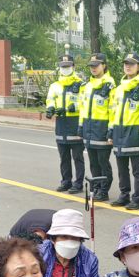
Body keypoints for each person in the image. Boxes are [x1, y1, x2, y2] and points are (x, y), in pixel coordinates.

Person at [108, 52, 139, 209]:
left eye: (132, 64)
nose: (128, 66)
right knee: (122, 168)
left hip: (134, 133)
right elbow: (113, 112)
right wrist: (110, 131)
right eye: (126, 63)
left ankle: (137, 199)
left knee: (137, 170)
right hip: (119, 133)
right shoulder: (119, 89)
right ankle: (124, 195)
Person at [46, 54, 85, 194]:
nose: (65, 69)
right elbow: (50, 100)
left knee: (77, 157)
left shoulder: (81, 84)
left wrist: (71, 107)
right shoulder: (55, 86)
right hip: (61, 123)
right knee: (64, 157)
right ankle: (66, 181)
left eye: (68, 66)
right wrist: (50, 109)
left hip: (75, 124)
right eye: (63, 67)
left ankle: (78, 183)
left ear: (73, 67)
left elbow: (84, 103)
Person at [79, 52, 115, 202]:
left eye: (96, 65)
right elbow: (82, 108)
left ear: (104, 66)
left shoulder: (110, 85)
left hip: (102, 129)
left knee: (103, 162)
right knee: (93, 162)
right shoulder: (87, 86)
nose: (93, 68)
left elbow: (113, 109)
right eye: (91, 66)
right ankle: (96, 187)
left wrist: (111, 130)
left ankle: (104, 190)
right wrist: (81, 127)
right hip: (89, 128)